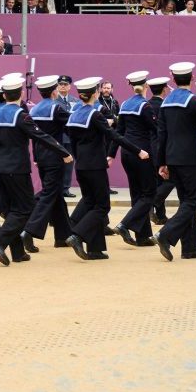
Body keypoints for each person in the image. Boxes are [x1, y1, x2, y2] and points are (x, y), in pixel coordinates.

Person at [64, 77, 147, 261]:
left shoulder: (74, 115)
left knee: (91, 203)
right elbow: (114, 136)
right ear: (96, 93)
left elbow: (73, 142)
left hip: (81, 165)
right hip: (95, 166)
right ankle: (77, 235)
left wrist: (79, 159)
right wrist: (138, 150)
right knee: (102, 206)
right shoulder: (95, 115)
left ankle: (95, 249)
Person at [153, 62, 196, 261]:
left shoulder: (166, 102)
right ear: (192, 78)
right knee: (192, 201)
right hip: (189, 159)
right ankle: (165, 234)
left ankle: (190, 248)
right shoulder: (194, 101)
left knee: (185, 202)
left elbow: (162, 135)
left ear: (173, 79)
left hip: (171, 158)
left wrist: (161, 163)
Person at [21, 75, 74, 253]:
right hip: (55, 156)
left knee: (56, 195)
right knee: (49, 194)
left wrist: (36, 157)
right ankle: (29, 231)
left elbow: (35, 136)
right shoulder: (56, 108)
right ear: (54, 92)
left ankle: (63, 236)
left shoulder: (34, 109)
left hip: (41, 157)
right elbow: (72, 124)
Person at [110, 71, 159, 247]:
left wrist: (111, 153)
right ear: (146, 85)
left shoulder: (125, 104)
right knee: (149, 193)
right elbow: (156, 129)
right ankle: (125, 225)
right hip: (142, 153)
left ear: (131, 86)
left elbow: (119, 132)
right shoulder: (145, 106)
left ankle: (143, 236)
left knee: (137, 194)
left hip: (127, 153)